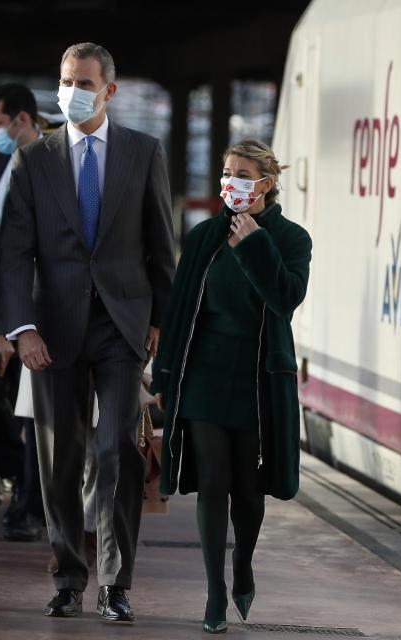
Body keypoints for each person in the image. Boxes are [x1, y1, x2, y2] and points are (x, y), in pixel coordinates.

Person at [0, 42, 175, 622]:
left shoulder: (143, 152)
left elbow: (160, 247)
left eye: (82, 81)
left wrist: (157, 323)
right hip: (52, 330)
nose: (70, 90)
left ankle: (116, 582)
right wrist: (22, 327)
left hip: (122, 326)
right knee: (60, 457)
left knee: (117, 449)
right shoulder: (36, 159)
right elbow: (15, 253)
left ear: (109, 91)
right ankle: (70, 575)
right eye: (64, 80)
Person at [150, 139, 312, 633]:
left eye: (242, 173)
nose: (231, 182)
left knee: (247, 487)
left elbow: (286, 298)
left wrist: (254, 246)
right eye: (226, 172)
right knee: (213, 482)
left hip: (257, 380)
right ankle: (215, 593)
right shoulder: (204, 237)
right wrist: (163, 375)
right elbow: (179, 311)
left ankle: (242, 563)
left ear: (265, 183)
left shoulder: (290, 238)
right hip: (204, 376)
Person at [0, 82, 44, 543]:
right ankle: (20, 484)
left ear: (21, 120)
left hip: (35, 318)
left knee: (33, 417)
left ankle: (28, 503)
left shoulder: (53, 165)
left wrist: (14, 325)